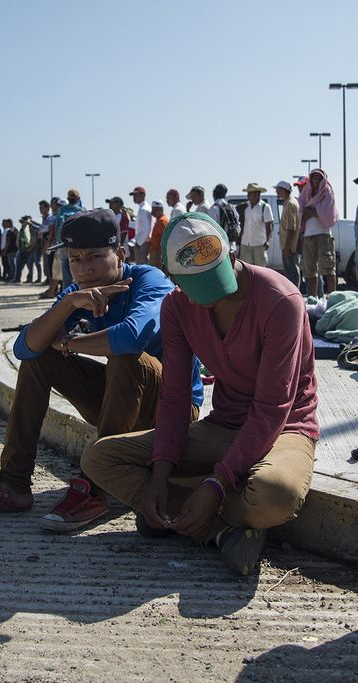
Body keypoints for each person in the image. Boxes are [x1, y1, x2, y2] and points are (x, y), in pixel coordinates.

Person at [82, 212, 319, 576]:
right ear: (174, 279)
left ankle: (183, 513)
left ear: (232, 255)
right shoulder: (176, 307)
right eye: (196, 287)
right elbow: (175, 398)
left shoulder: (280, 300)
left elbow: (273, 408)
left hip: (285, 429)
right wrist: (159, 477)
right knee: (100, 459)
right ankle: (218, 531)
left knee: (275, 494)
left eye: (216, 279)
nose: (210, 299)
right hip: (223, 427)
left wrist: (216, 484)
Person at [0, 209, 202, 532]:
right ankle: (12, 483)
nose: (85, 268)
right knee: (40, 358)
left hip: (173, 411)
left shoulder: (148, 281)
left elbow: (131, 337)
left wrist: (67, 343)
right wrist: (67, 305)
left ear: (120, 254)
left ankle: (95, 489)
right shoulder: (77, 293)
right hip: (122, 400)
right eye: (76, 259)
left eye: (95, 257)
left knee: (125, 356)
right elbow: (24, 348)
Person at [299, 168, 338, 296]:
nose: (316, 180)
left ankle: (332, 297)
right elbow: (302, 211)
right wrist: (311, 213)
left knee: (328, 268)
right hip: (309, 234)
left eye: (318, 177)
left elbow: (326, 214)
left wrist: (312, 212)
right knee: (309, 270)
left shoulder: (327, 192)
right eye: (314, 177)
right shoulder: (307, 193)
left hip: (324, 234)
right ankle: (312, 297)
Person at [275, 180, 301, 288]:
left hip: (289, 245)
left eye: (278, 190)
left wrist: (287, 246)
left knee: (292, 272)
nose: (277, 192)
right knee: (290, 271)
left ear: (283, 190)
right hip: (288, 244)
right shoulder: (288, 203)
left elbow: (291, 227)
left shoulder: (290, 204)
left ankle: (294, 293)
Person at [240, 183, 274, 267]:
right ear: (248, 195)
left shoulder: (265, 207)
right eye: (251, 193)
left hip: (259, 243)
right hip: (245, 243)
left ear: (259, 194)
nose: (254, 195)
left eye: (256, 192)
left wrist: (268, 240)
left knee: (260, 268)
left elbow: (269, 224)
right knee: (247, 268)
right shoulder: (246, 207)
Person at [129, 186, 153, 264]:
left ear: (143, 195)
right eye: (133, 195)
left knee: (142, 265)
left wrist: (138, 243)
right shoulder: (144, 207)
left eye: (136, 195)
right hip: (144, 242)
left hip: (143, 243)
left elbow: (147, 229)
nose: (134, 197)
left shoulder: (143, 209)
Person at [146, 200, 170, 268]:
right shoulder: (159, 220)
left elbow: (163, 239)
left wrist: (160, 256)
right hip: (155, 252)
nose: (152, 211)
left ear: (160, 209)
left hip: (157, 253)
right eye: (153, 209)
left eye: (155, 209)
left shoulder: (162, 221)